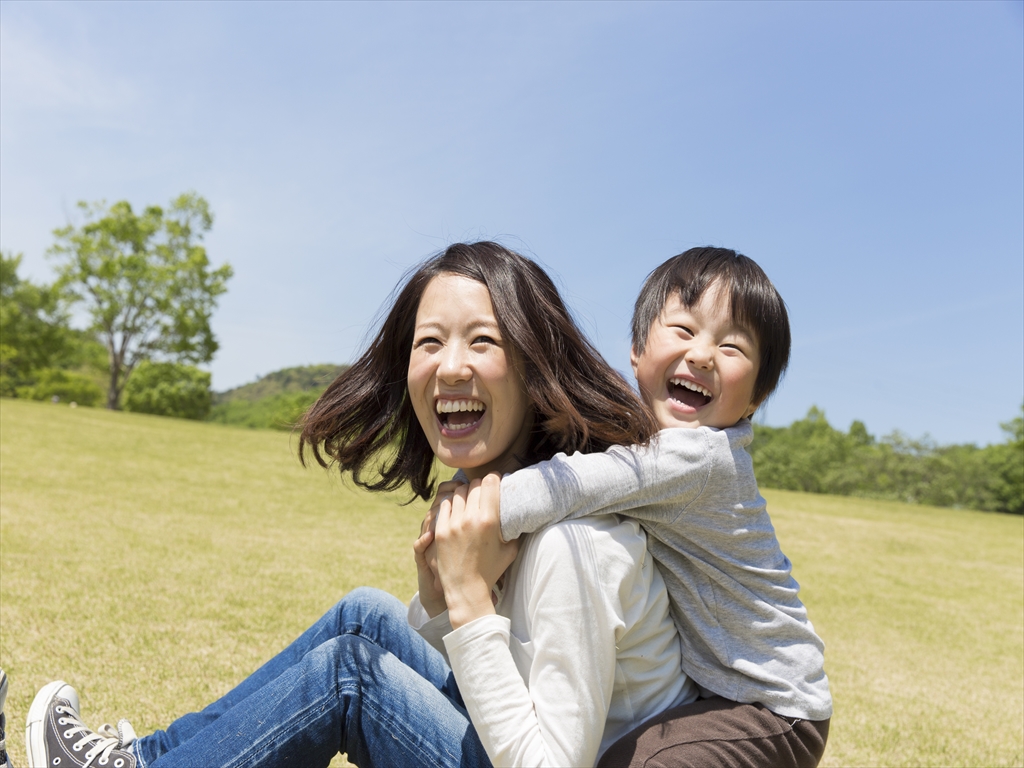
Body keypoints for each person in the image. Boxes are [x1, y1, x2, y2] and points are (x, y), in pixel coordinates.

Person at [25, 242, 697, 768]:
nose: (450, 366)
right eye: (429, 342)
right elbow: (497, 692)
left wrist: (466, 599)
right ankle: (147, 759)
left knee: (353, 673)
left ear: (535, 368)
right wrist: (442, 611)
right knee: (367, 615)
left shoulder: (572, 544)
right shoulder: (501, 507)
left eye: (483, 341)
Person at [474, 247, 833, 767]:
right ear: (637, 350)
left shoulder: (702, 457)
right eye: (684, 331)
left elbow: (573, 483)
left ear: (756, 397)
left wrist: (480, 508)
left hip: (774, 708)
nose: (703, 355)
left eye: (732, 347)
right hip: (715, 694)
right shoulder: (657, 448)